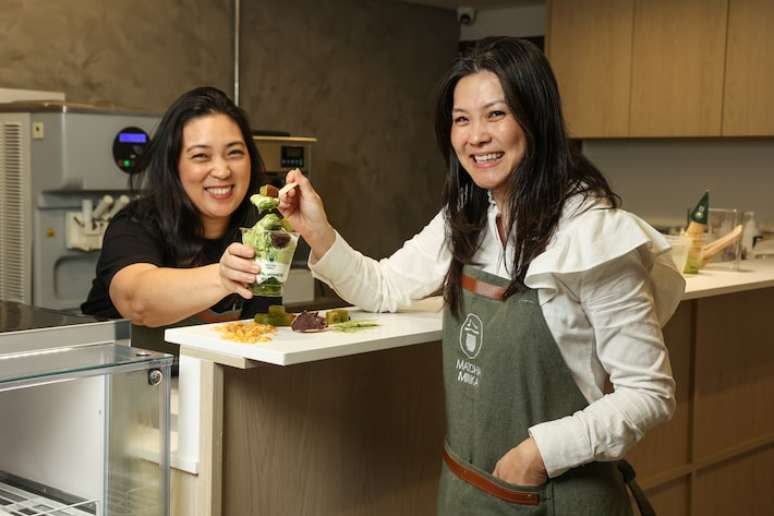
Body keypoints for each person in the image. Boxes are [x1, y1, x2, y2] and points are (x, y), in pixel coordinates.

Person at [278, 38, 685, 515]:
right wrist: (318, 232)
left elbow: (649, 394)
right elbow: (384, 287)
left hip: (553, 496)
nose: (476, 136)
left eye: (496, 114)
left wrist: (538, 455)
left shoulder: (594, 235)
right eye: (462, 119)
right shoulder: (465, 217)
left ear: (536, 119)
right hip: (467, 490)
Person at [82, 86, 271, 349]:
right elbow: (137, 302)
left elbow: (260, 336)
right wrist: (223, 277)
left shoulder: (258, 229)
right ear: (174, 165)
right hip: (123, 384)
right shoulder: (135, 225)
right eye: (200, 156)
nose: (222, 170)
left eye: (234, 153)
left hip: (214, 384)